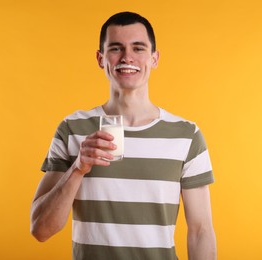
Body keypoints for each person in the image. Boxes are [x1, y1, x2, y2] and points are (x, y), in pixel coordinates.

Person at [30, 11, 217, 260]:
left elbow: (200, 231)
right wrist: (77, 168)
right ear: (100, 58)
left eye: (138, 48)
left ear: (154, 58)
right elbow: (41, 229)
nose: (127, 57)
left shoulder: (186, 135)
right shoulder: (72, 128)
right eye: (116, 48)